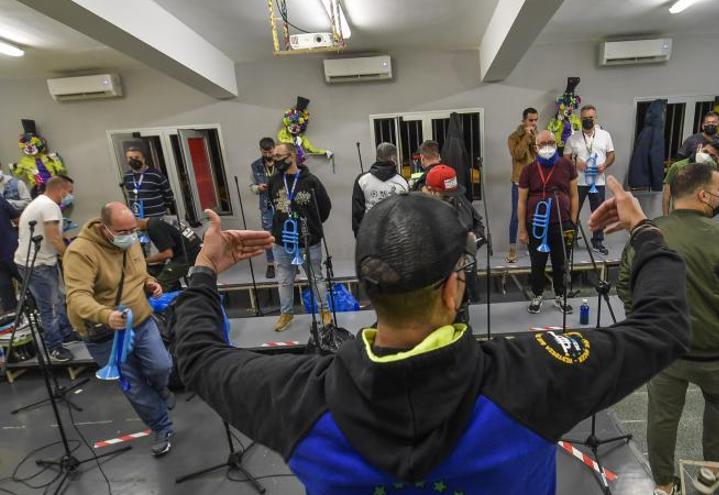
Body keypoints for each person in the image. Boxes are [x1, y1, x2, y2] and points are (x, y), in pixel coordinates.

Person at [169, 177, 691, 494]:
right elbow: (663, 327)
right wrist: (644, 233)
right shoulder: (535, 377)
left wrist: (204, 269)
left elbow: (197, 355)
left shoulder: (295, 398)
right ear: (451, 291)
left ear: (368, 294)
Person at [618, 163, 719, 495]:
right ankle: (712, 472)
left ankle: (664, 485)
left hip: (666, 350)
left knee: (662, 416)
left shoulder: (649, 232)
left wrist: (646, 325)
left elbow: (626, 284)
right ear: (702, 195)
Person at [64, 202, 176, 456]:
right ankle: (161, 427)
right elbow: (77, 296)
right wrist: (105, 314)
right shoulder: (81, 252)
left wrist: (150, 282)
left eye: (132, 230)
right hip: (105, 332)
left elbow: (139, 273)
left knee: (162, 366)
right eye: (122, 232)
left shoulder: (131, 240)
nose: (130, 236)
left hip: (141, 319)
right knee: (134, 386)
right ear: (105, 228)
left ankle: (160, 388)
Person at [269, 142, 332, 332]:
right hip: (282, 241)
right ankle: (286, 313)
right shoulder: (273, 181)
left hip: (308, 240)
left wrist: (312, 225)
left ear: (292, 156)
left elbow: (325, 208)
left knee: (316, 278)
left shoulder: (311, 181)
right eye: (274, 157)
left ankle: (324, 311)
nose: (276, 161)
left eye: (280, 157)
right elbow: (273, 204)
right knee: (284, 279)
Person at [14, 175, 76, 362]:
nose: (70, 196)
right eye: (69, 192)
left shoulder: (38, 203)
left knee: (56, 299)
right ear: (61, 190)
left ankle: (66, 334)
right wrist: (69, 258)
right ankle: (54, 347)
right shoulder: (50, 206)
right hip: (38, 264)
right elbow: (54, 237)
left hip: (32, 261)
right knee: (49, 306)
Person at [518, 130, 578, 314]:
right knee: (538, 263)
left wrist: (572, 223)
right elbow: (521, 201)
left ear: (556, 143)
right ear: (535, 147)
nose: (547, 146)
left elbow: (574, 196)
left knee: (561, 262)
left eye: (550, 142)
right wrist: (522, 229)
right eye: (542, 143)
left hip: (562, 223)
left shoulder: (567, 165)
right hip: (535, 225)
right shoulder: (528, 170)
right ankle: (537, 295)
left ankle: (560, 296)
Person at [425, 164, 486, 316]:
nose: (451, 198)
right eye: (446, 195)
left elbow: (479, 226)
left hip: (462, 274)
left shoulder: (459, 199)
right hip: (435, 282)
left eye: (453, 193)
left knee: (462, 317)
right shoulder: (419, 211)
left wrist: (473, 240)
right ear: (431, 190)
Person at [563, 104, 615, 255]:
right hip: (578, 182)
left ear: (595, 118)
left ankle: (598, 242)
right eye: (585, 118)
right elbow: (565, 157)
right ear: (580, 119)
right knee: (573, 212)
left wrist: (604, 164)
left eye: (590, 118)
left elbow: (611, 154)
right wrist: (575, 163)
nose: (588, 120)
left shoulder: (605, 135)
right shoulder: (573, 138)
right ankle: (569, 242)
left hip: (598, 182)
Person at [676, 111, 719, 226]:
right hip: (696, 181)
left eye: (714, 122)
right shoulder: (692, 141)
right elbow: (680, 162)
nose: (711, 125)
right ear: (703, 125)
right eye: (708, 122)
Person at [351, 142, 408, 235]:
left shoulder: (362, 180)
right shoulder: (402, 182)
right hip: (397, 237)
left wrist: (360, 237)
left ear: (377, 157)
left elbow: (357, 214)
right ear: (394, 159)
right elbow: (407, 213)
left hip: (370, 235)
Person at [662, 139, 719, 215]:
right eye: (705, 152)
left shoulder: (712, 168)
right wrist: (666, 218)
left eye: (711, 155)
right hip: (680, 216)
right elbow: (666, 197)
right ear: (699, 148)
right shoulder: (678, 167)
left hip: (702, 215)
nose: (707, 156)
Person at [506, 108, 538, 263]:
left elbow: (541, 154)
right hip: (519, 182)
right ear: (523, 121)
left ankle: (531, 247)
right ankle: (512, 248)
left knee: (533, 215)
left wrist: (534, 140)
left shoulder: (537, 135)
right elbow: (517, 155)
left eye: (535, 120)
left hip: (535, 182)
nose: (533, 123)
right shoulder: (513, 137)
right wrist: (526, 137)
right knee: (516, 217)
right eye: (530, 120)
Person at [138, 217, 201, 291]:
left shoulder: (153, 227)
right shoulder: (160, 220)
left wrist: (143, 261)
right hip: (196, 250)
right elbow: (167, 247)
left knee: (157, 286)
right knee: (166, 273)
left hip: (188, 256)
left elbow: (167, 254)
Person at [249, 137, 278, 279]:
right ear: (260, 150)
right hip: (266, 205)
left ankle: (291, 263)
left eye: (270, 151)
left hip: (283, 203)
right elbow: (251, 186)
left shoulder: (282, 162)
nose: (268, 155)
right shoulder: (255, 165)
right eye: (265, 152)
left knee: (286, 233)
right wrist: (257, 188)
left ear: (274, 148)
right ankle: (271, 265)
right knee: (268, 236)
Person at [121, 145, 175, 219]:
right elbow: (130, 196)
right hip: (138, 219)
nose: (133, 160)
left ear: (143, 159)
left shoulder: (156, 175)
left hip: (157, 218)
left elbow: (169, 196)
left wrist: (159, 208)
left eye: (137, 157)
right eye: (130, 158)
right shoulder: (127, 176)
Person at [0, 197, 21, 316]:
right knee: (31, 287)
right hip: (12, 250)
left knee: (7, 296)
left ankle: (15, 324)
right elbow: (18, 219)